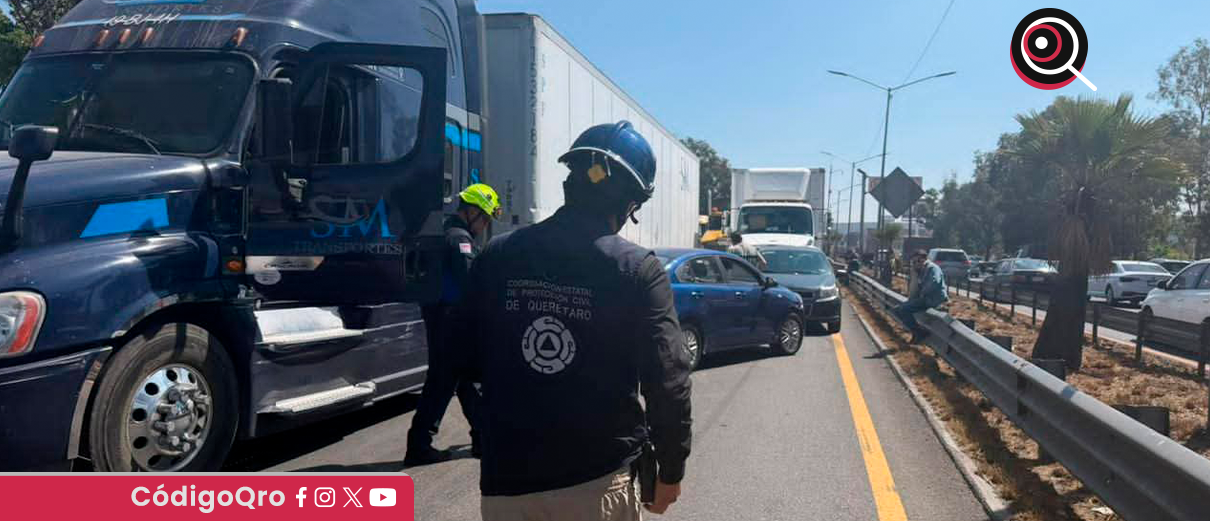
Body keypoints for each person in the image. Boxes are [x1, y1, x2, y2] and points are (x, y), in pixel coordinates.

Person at [451, 121, 692, 520]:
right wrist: (671, 468)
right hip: (595, 482)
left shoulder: (496, 255)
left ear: (570, 182)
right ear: (631, 203)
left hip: (505, 484)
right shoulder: (639, 270)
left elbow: (458, 358)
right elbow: (668, 379)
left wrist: (495, 433)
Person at [403, 183, 501, 466]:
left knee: (464, 380)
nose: (485, 225)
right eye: (484, 218)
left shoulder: (445, 232)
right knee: (444, 381)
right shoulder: (459, 239)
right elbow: (471, 283)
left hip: (443, 317)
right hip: (451, 320)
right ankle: (419, 445)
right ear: (471, 212)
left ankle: (482, 439)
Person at [893, 250, 948, 343]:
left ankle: (919, 332)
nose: (914, 264)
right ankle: (916, 332)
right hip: (926, 299)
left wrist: (922, 294)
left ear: (922, 259)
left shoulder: (932, 268)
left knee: (903, 309)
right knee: (897, 310)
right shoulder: (921, 270)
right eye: (913, 262)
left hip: (933, 299)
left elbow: (934, 282)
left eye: (916, 261)